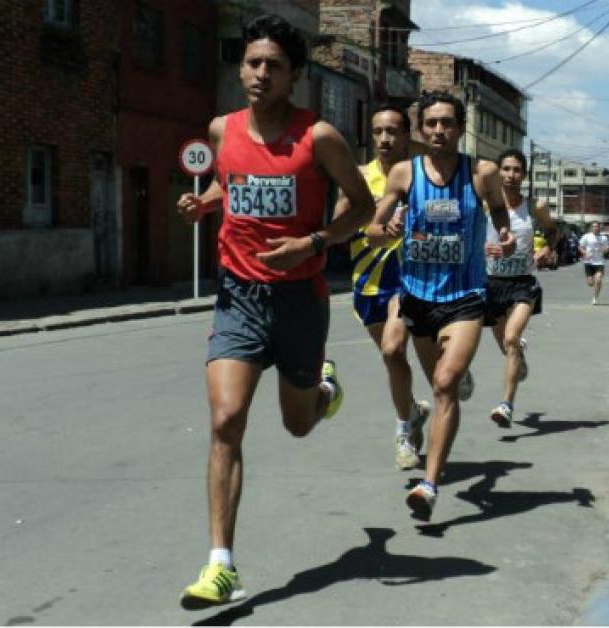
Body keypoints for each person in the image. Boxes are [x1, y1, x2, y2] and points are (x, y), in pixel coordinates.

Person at [175, 14, 375, 610]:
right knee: (225, 420)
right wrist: (203, 202)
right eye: (253, 63)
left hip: (299, 299)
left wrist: (312, 244)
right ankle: (220, 566)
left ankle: (322, 390)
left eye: (274, 66)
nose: (261, 74)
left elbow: (361, 208)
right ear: (241, 67)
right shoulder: (221, 129)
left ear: (295, 77)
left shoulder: (319, 138)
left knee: (297, 423)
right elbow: (231, 186)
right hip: (238, 294)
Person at [366, 90, 514, 522]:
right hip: (416, 295)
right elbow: (374, 227)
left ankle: (429, 484)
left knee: (445, 385)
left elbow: (500, 213)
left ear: (460, 128)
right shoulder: (402, 175)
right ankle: (436, 398)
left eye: (446, 123)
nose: (438, 131)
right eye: (430, 123)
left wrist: (502, 235)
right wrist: (386, 226)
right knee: (430, 373)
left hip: (465, 297)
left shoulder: (481, 173)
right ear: (421, 128)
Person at [332, 104, 474, 471]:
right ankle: (412, 412)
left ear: (407, 135)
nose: (384, 138)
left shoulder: (421, 175)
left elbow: (454, 215)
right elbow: (338, 228)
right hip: (369, 282)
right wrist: (372, 214)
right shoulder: (358, 178)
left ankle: (404, 430)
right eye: (378, 131)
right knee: (393, 357)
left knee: (397, 349)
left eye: (393, 131)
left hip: (412, 278)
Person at [483, 149, 557, 428]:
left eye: (517, 170)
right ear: (498, 172)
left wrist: (547, 249)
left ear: (524, 175)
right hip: (491, 284)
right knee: (506, 343)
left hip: (522, 284)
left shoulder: (534, 207)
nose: (511, 175)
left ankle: (506, 404)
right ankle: (519, 361)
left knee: (512, 338)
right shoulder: (485, 205)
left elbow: (553, 230)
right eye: (506, 169)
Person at [579, 221, 609, 305]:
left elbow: (607, 249)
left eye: (597, 226)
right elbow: (580, 247)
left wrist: (602, 249)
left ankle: (595, 298)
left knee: (598, 280)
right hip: (588, 262)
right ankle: (593, 282)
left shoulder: (604, 238)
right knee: (590, 283)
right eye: (594, 226)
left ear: (599, 228)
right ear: (591, 228)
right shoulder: (586, 236)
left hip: (599, 262)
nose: (595, 228)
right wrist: (585, 253)